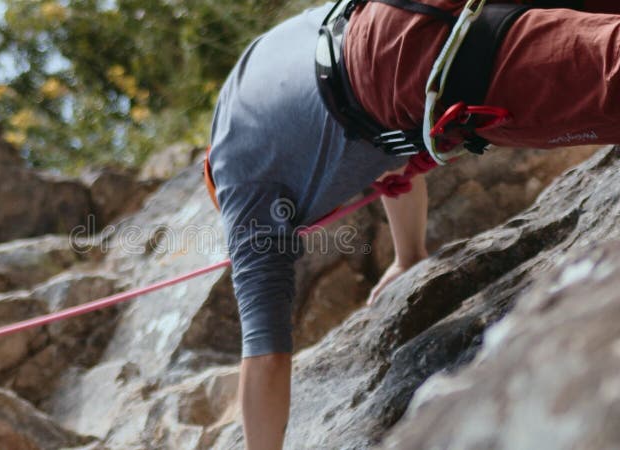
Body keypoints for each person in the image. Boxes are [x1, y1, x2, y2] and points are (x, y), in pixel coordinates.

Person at [205, 1, 619, 448]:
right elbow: (389, 174)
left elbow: (266, 355)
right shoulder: (246, 81)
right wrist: (408, 256)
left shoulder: (243, 193)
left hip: (408, 65)